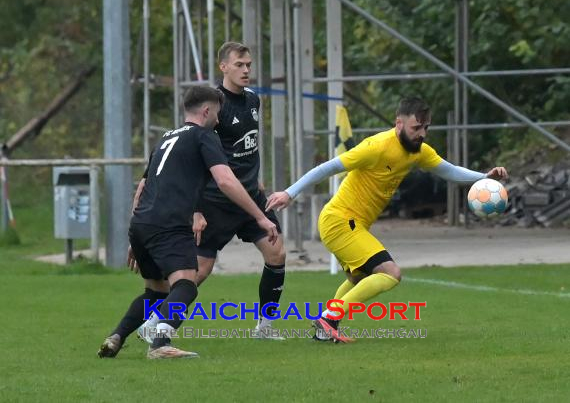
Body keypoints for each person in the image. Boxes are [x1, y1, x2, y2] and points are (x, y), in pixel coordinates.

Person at [266, 97, 508, 343]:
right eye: (416, 128)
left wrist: (483, 176)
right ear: (399, 124)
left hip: (350, 224)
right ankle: (328, 318)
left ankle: (325, 330)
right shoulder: (376, 146)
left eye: (426, 128)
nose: (422, 134)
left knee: (358, 279)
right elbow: (326, 168)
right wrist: (289, 193)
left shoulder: (418, 152)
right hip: (340, 220)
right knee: (391, 273)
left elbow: (449, 170)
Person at [98, 86, 278, 359]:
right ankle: (160, 345)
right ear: (206, 111)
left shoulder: (166, 138)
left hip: (142, 224)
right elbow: (226, 181)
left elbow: (141, 189)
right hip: (168, 225)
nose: (219, 120)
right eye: (217, 114)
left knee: (155, 293)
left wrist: (137, 239)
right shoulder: (203, 136)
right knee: (186, 285)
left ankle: (116, 337)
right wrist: (260, 216)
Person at [192, 42, 286, 339]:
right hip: (217, 201)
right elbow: (195, 158)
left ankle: (264, 327)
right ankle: (157, 320)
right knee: (200, 270)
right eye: (239, 65)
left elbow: (250, 144)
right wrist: (195, 209)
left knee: (277, 253)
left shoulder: (254, 100)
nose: (246, 70)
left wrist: (257, 178)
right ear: (223, 67)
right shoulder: (212, 104)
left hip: (251, 197)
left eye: (248, 65)